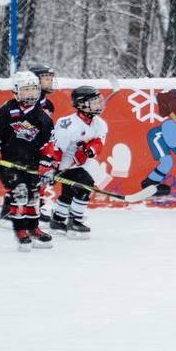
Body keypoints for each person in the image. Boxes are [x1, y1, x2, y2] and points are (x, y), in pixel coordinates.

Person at [0, 71, 57, 251]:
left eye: (34, 89)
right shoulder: (7, 109)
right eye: (26, 90)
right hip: (9, 164)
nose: (31, 93)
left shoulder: (43, 116)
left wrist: (46, 162)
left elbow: (49, 143)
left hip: (31, 164)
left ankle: (33, 228)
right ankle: (21, 231)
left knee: (33, 196)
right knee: (20, 192)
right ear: (16, 91)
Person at [49, 86, 107, 238]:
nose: (98, 105)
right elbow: (56, 147)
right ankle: (75, 221)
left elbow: (99, 142)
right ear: (81, 104)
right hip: (65, 166)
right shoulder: (67, 124)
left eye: (98, 101)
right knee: (86, 186)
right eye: (94, 102)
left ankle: (58, 220)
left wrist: (91, 149)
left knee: (68, 193)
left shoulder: (99, 123)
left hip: (78, 165)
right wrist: (52, 167)